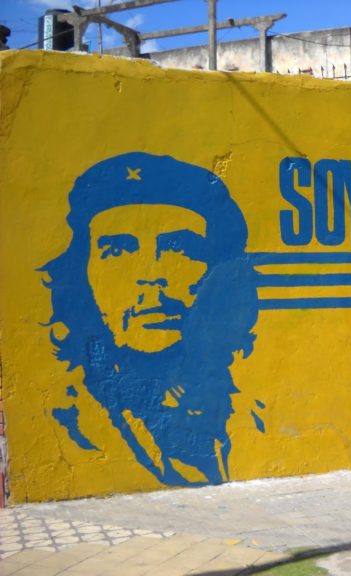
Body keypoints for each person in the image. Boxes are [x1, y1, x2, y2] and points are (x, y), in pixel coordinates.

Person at [41, 152, 261, 486]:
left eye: (179, 248)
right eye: (118, 251)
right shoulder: (68, 417)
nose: (151, 276)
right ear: (80, 273)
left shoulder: (249, 409)